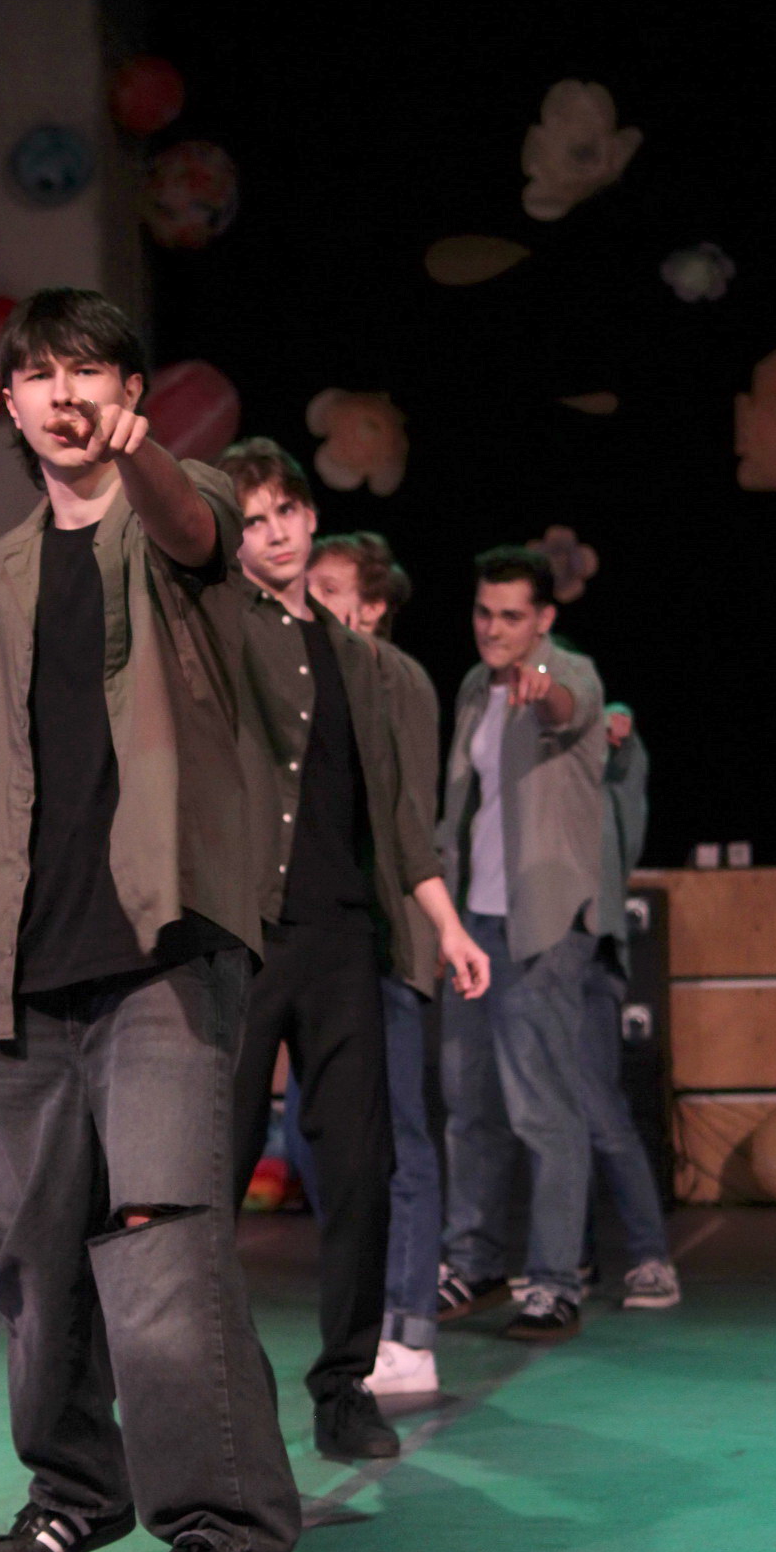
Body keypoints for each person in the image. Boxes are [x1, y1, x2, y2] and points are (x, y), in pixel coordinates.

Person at [0, 289, 300, 1552]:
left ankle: (228, 1531)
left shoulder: (179, 509)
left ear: (129, 392)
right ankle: (74, 1488)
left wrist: (143, 454)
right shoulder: (1, 573)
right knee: (37, 1265)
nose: (66, 394)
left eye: (93, 372)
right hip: (23, 964)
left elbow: (194, 527)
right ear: (7, 400)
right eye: (42, 374)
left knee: (164, 1248)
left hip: (161, 950)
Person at [217, 439, 489, 1461]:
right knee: (217, 1168)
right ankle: (215, 1398)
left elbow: (396, 812)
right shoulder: (219, 629)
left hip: (343, 938)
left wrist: (446, 923)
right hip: (245, 938)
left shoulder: (361, 661)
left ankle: (344, 1388)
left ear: (309, 516)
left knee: (362, 1167)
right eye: (253, 519)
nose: (276, 532)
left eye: (286, 511)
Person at [437, 545, 605, 1342]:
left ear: (543, 619)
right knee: (468, 1105)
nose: (493, 628)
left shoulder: (568, 674)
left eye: (511, 616)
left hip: (541, 926)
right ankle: (473, 1263)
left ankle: (555, 1280)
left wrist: (545, 692)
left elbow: (570, 708)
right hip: (474, 923)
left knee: (544, 1110)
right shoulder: (476, 686)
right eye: (483, 612)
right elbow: (460, 807)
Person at [306, 533, 443, 1397]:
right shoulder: (318, 668)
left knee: (402, 1138)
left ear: (373, 605)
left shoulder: (392, 677)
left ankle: (411, 1327)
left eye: (330, 587)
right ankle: (369, 1314)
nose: (312, 598)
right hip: (336, 941)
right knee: (324, 1138)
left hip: (391, 934)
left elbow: (405, 818)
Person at [583, 703, 681, 1308]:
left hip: (589, 955)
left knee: (600, 1109)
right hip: (534, 958)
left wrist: (617, 720)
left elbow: (624, 751)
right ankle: (570, 1258)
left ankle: (651, 1257)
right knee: (554, 1117)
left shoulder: (607, 785)